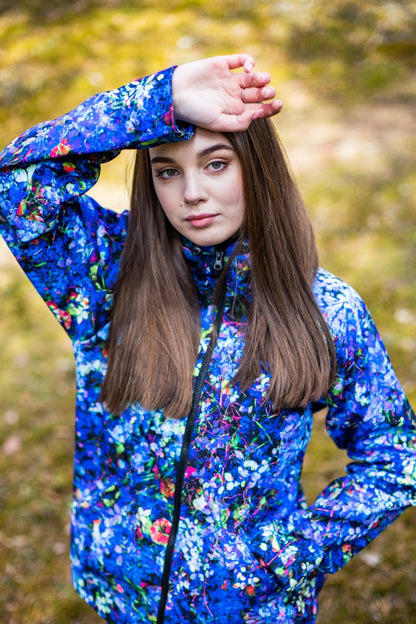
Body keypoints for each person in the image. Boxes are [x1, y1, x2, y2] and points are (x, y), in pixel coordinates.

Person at [0, 53, 414, 624]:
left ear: (256, 169)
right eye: (167, 171)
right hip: (123, 600)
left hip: (250, 611)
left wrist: (288, 557)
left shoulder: (327, 311)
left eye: (216, 164)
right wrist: (157, 100)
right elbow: (15, 187)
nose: (191, 192)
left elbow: (394, 456)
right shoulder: (106, 272)